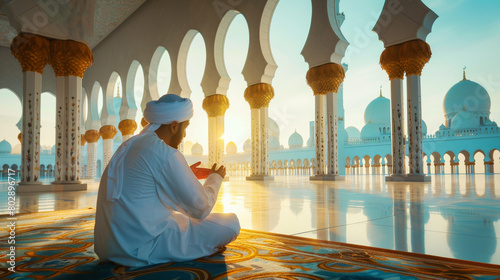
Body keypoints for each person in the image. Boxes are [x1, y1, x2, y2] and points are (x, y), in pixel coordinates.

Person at [94, 94, 240, 267]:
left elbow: (147, 179)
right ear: (173, 126)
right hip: (140, 247)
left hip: (108, 246)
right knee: (231, 224)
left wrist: (186, 173)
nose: (184, 134)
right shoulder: (164, 153)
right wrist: (215, 178)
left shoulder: (131, 144)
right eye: (185, 128)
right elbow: (201, 207)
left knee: (179, 219)